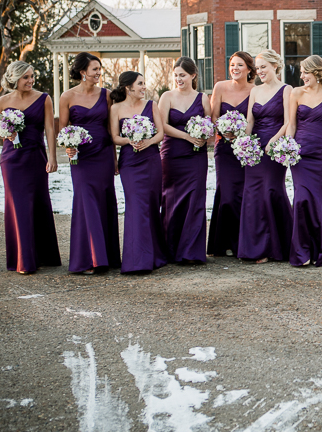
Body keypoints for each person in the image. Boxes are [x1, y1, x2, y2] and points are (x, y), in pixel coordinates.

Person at [0, 61, 61, 275]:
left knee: (38, 204)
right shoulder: (2, 101)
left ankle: (43, 255)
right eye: (26, 77)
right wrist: (7, 133)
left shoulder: (44, 99)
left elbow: (50, 129)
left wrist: (52, 157)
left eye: (32, 76)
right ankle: (24, 258)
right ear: (14, 79)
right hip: (11, 160)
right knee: (18, 206)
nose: (30, 80)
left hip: (36, 157)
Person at [59, 52, 121, 274]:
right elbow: (63, 130)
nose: (98, 73)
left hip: (103, 154)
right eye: (95, 69)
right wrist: (68, 146)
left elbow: (110, 129)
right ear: (83, 71)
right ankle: (89, 259)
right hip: (81, 157)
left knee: (104, 201)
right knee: (86, 202)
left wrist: (114, 159)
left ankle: (106, 256)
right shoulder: (66, 96)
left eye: (99, 69)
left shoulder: (106, 95)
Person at [287, 55, 322, 267]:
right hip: (300, 156)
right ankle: (302, 252)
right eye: (301, 72)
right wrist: (288, 148)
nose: (302, 76)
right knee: (302, 201)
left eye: (305, 72)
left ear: (317, 72)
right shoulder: (296, 93)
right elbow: (291, 125)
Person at [238, 49, 293, 263]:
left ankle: (277, 246)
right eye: (258, 68)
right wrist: (245, 142)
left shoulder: (286, 89)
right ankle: (255, 248)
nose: (260, 71)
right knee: (252, 193)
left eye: (264, 67)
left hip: (275, 148)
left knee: (271, 190)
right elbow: (250, 121)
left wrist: (274, 140)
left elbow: (289, 121)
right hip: (254, 149)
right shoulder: (254, 91)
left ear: (275, 66)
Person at [110, 71, 167, 274]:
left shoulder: (151, 106)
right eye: (140, 84)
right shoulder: (115, 108)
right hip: (130, 162)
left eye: (144, 83)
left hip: (150, 159)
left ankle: (155, 256)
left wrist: (147, 142)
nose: (144, 87)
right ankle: (137, 260)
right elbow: (115, 137)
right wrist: (130, 141)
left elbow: (160, 133)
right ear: (128, 87)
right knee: (136, 207)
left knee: (152, 206)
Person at [158, 57, 211, 264]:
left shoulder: (202, 98)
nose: (179, 79)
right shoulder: (167, 97)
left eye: (183, 75)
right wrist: (187, 136)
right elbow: (162, 125)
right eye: (176, 75)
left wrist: (203, 135)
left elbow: (210, 124)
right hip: (172, 154)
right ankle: (170, 249)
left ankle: (191, 252)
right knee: (171, 200)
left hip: (196, 156)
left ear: (193, 75)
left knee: (195, 200)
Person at [207, 51, 255, 257]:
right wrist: (223, 129)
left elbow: (255, 119)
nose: (235, 68)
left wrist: (242, 134)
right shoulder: (220, 87)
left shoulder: (256, 90)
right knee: (226, 194)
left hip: (245, 149)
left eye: (240, 65)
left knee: (243, 194)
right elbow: (214, 115)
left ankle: (241, 244)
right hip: (225, 148)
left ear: (249, 69)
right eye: (232, 64)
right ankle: (222, 242)